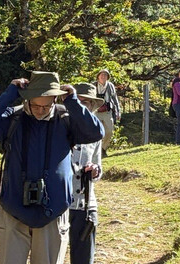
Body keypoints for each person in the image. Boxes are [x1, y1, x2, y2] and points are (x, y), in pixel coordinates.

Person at [0, 71, 104, 264]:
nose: (40, 110)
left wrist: (73, 101)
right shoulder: (13, 119)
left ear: (55, 99)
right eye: (35, 104)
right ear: (27, 99)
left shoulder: (66, 119)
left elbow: (95, 132)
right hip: (13, 211)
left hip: (53, 214)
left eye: (46, 105)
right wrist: (10, 93)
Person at [69, 83, 104, 264]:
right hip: (60, 203)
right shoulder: (60, 126)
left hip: (86, 204)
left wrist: (95, 171)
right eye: (78, 101)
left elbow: (98, 166)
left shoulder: (96, 133)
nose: (81, 105)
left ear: (92, 106)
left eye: (86, 102)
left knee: (84, 259)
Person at [92, 70, 121, 154]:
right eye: (101, 75)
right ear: (98, 76)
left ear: (108, 77)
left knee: (109, 131)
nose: (103, 76)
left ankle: (103, 149)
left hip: (107, 111)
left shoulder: (110, 86)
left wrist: (118, 111)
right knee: (96, 131)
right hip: (95, 111)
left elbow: (115, 99)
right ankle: (95, 150)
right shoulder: (93, 85)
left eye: (105, 75)